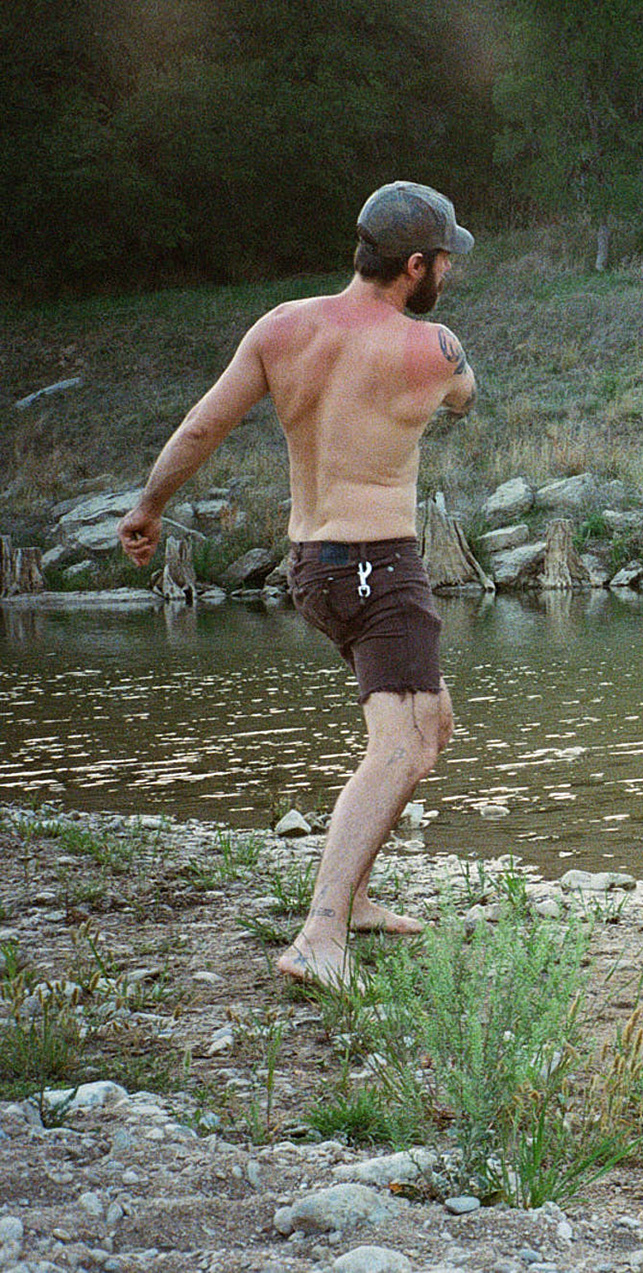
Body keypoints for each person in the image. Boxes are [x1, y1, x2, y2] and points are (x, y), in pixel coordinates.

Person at [118, 180, 478, 990]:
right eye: (443, 259)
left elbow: (203, 425)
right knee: (404, 744)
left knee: (432, 721)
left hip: (312, 567)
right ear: (414, 266)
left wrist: (149, 506)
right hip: (379, 564)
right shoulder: (433, 346)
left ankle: (354, 899)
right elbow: (464, 398)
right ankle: (321, 931)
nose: (449, 270)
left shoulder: (282, 326)